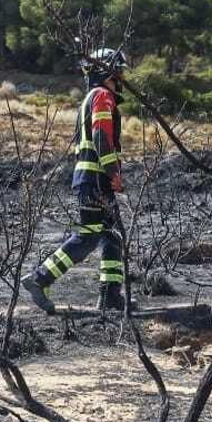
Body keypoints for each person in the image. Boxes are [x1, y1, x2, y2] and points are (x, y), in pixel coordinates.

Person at [22, 47, 132, 315]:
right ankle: (40, 278)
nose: (121, 77)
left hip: (93, 178)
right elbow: (101, 138)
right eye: (118, 71)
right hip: (95, 178)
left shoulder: (93, 97)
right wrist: (113, 173)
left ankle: (110, 296)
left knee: (113, 236)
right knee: (89, 236)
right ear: (106, 71)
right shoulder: (103, 97)